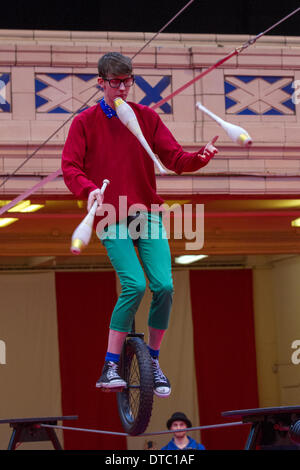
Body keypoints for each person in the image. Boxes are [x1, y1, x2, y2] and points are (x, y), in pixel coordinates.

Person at [62, 52, 218, 398]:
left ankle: (154, 359)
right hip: (109, 214)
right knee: (134, 285)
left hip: (145, 212)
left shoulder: (147, 117)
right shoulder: (85, 122)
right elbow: (70, 167)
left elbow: (174, 159)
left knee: (163, 286)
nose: (122, 88)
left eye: (127, 81)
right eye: (115, 82)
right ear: (100, 83)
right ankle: (110, 365)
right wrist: (88, 190)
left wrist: (200, 158)